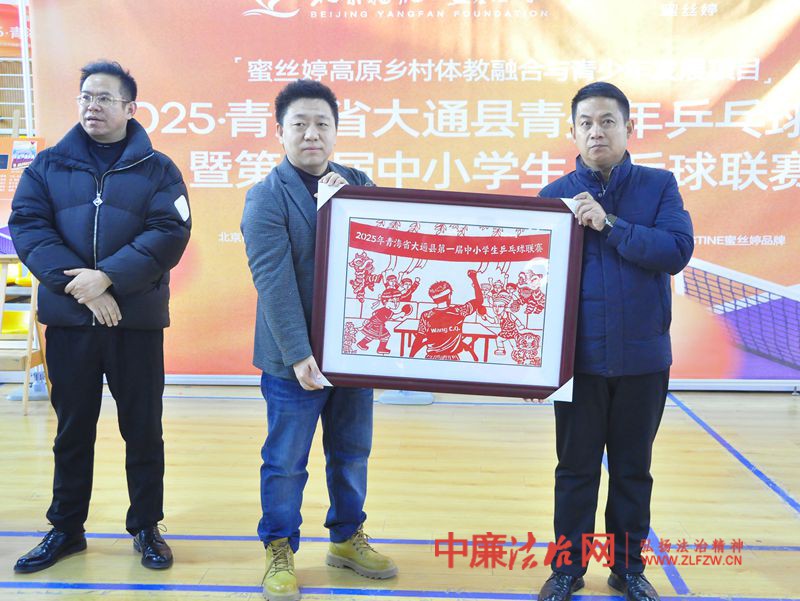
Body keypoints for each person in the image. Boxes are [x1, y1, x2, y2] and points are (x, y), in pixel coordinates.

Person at [9, 60, 191, 573]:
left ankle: (146, 526)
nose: (93, 105)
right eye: (87, 96)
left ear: (131, 108)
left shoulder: (159, 169)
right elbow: (28, 227)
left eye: (105, 98)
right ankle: (66, 528)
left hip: (135, 324)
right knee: (71, 429)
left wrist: (107, 277)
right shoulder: (47, 166)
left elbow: (169, 233)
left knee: (143, 428)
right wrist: (85, 290)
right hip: (70, 323)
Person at [536, 82, 693, 601]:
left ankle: (628, 569)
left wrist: (611, 225)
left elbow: (676, 250)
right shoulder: (552, 198)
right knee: (574, 472)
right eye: (585, 122)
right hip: (577, 363)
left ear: (628, 127)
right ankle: (567, 569)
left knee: (632, 471)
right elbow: (533, 286)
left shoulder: (659, 186)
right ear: (573, 131)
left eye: (607, 121)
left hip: (643, 359)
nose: (596, 131)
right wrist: (532, 365)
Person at [241, 79, 397, 601]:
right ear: (280, 131)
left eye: (322, 124)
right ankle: (278, 548)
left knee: (352, 452)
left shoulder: (357, 182)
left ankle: (347, 537)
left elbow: (387, 254)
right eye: (300, 124)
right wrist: (299, 353)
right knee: (285, 461)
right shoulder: (265, 197)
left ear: (335, 131)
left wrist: (347, 202)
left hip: (353, 353)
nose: (311, 133)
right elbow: (274, 280)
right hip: (294, 361)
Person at [410, 270, 484, 360]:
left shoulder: (426, 315)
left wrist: (410, 357)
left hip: (431, 359)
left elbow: (419, 339)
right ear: (449, 296)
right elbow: (479, 300)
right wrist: (474, 278)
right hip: (452, 359)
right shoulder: (459, 311)